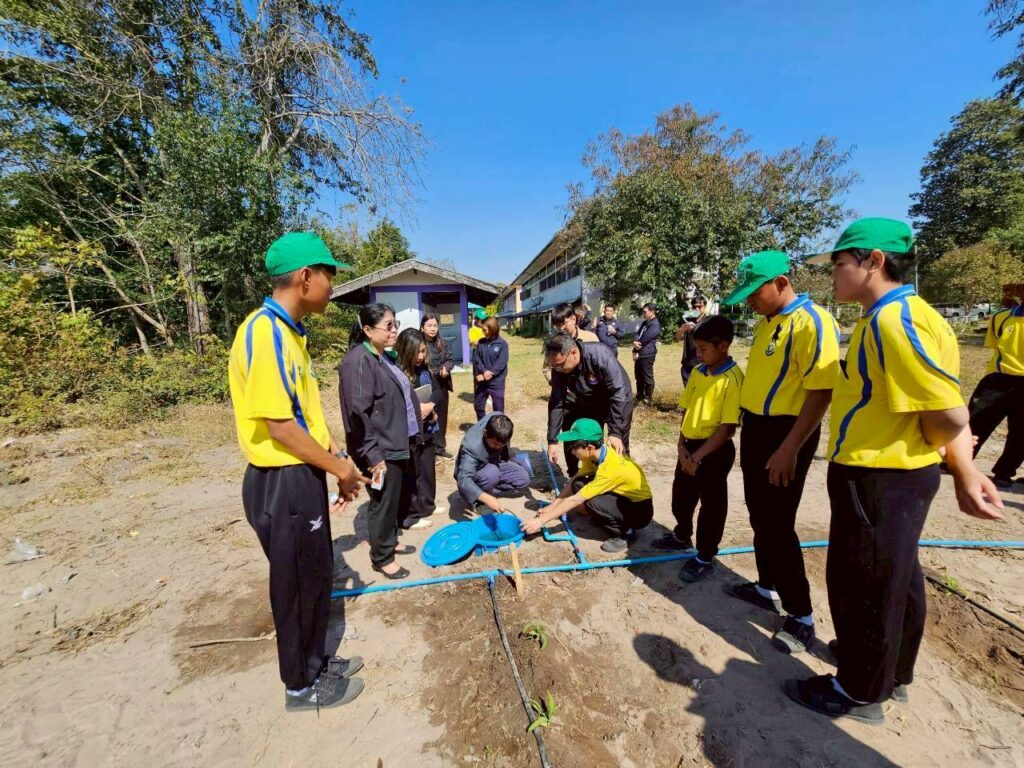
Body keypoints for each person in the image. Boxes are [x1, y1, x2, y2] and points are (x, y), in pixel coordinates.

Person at [784, 217, 1004, 724]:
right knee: (895, 578)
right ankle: (891, 670)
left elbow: (947, 411)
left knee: (864, 583)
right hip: (894, 473)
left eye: (840, 264)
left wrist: (964, 469)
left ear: (874, 261)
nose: (833, 275)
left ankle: (859, 691)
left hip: (880, 474)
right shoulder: (898, 315)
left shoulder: (894, 321)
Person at [228, 231, 367, 711]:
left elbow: (303, 413)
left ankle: (316, 661)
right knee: (296, 584)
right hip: (282, 480)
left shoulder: (290, 333)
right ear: (306, 277)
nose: (333, 285)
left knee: (315, 572)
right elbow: (280, 426)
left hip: (302, 474)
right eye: (329, 274)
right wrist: (340, 470)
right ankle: (300, 686)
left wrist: (335, 452)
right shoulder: (264, 332)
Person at [721, 250, 840, 655]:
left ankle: (801, 615)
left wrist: (790, 448)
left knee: (777, 523)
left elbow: (821, 391)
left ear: (782, 283)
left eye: (755, 293)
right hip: (757, 428)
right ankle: (766, 585)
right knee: (759, 513)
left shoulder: (812, 322)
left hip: (787, 434)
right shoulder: (766, 323)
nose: (750, 302)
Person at [652, 316, 744, 584]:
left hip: (714, 451)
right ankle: (682, 534)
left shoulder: (733, 378)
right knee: (681, 495)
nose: (698, 354)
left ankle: (705, 556)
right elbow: (687, 409)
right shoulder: (697, 372)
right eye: (696, 348)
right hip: (689, 447)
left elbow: (726, 428)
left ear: (723, 346)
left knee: (711, 506)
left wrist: (697, 458)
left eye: (703, 349)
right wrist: (681, 446)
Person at [339, 303, 422, 581]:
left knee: (392, 498)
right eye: (388, 325)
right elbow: (357, 414)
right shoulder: (358, 362)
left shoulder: (381, 356)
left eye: (395, 324)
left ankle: (389, 541)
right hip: (379, 449)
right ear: (367, 329)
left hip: (394, 441)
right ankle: (383, 558)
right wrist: (372, 456)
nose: (394, 330)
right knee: (382, 501)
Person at [522, 418, 653, 553]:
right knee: (578, 484)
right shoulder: (594, 455)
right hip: (621, 499)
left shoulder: (610, 468)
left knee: (591, 501)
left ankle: (626, 532)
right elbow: (575, 479)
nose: (572, 452)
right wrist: (553, 505)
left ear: (589, 448)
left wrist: (540, 521)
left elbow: (576, 499)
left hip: (640, 511)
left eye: (574, 448)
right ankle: (605, 517)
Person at [545, 331, 634, 476]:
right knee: (590, 440)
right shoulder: (559, 367)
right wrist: (552, 441)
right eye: (554, 366)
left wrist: (616, 432)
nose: (557, 370)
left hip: (618, 398)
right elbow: (557, 401)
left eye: (560, 365)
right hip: (590, 399)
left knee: (617, 444)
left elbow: (618, 392)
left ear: (573, 353)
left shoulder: (600, 355)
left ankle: (624, 479)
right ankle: (584, 476)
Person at [968, 295, 1024, 488]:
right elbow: (995, 346)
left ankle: (1004, 473)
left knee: (1021, 433)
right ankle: (956, 462)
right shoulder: (1001, 317)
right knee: (975, 422)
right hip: (998, 379)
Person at [395, 328, 443, 529]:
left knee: (427, 468)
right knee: (412, 473)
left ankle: (427, 506)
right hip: (410, 431)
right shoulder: (398, 373)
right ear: (406, 350)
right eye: (417, 352)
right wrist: (418, 409)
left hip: (428, 427)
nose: (421, 356)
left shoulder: (424, 370)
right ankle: (411, 515)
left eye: (424, 351)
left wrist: (430, 406)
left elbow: (438, 391)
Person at [455, 412, 533, 513]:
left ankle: (487, 490)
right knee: (492, 473)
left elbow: (503, 446)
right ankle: (477, 500)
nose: (498, 447)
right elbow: (463, 479)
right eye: (495, 443)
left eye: (502, 444)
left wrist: (509, 454)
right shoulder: (471, 447)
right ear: (485, 433)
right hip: (477, 470)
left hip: (494, 462)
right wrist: (487, 499)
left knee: (523, 479)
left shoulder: (501, 421)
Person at [421, 314, 455, 458]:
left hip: (441, 385)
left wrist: (446, 368)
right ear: (422, 327)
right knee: (427, 416)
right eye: (429, 325)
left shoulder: (442, 343)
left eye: (435, 325)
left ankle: (440, 448)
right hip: (425, 385)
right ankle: (428, 449)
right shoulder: (419, 344)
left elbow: (450, 359)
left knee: (442, 416)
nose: (433, 329)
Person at [472, 317, 509, 419]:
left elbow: (502, 362)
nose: (483, 332)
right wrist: (483, 371)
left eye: (484, 330)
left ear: (492, 328)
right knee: (478, 406)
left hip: (496, 383)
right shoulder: (481, 342)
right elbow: (477, 359)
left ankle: (497, 427)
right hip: (482, 382)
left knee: (498, 411)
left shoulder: (503, 344)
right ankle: (483, 425)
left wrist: (490, 373)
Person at [675, 295, 709, 385]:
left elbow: (710, 340)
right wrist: (682, 329)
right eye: (694, 307)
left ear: (705, 306)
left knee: (700, 389)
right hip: (687, 362)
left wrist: (696, 329)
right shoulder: (688, 318)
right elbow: (677, 338)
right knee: (688, 389)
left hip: (702, 363)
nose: (697, 309)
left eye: (699, 306)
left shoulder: (709, 321)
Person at [633, 303, 661, 405]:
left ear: (652, 312)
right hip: (640, 352)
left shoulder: (655, 324)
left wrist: (637, 344)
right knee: (639, 376)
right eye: (643, 311)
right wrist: (635, 344)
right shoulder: (645, 323)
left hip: (648, 354)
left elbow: (646, 338)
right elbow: (638, 334)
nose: (643, 313)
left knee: (647, 377)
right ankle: (639, 395)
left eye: (645, 312)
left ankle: (648, 398)